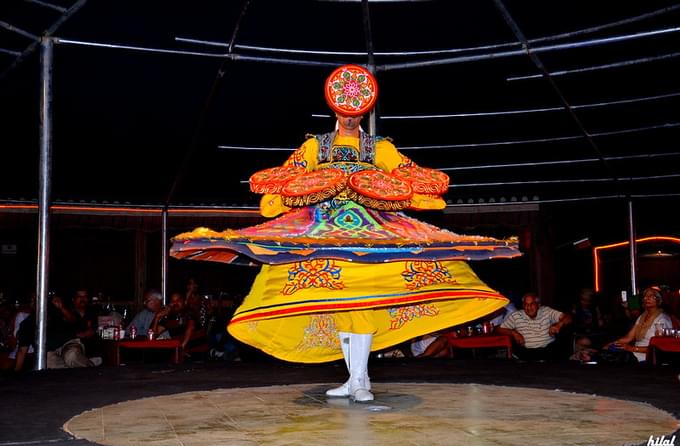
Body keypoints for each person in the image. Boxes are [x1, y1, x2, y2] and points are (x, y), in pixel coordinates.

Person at [170, 64, 520, 401]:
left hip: (372, 230)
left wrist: (419, 187)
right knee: (342, 307)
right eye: (344, 111)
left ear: (364, 112)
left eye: (356, 112)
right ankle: (356, 379)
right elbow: (286, 177)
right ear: (334, 109)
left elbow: (408, 173)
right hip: (322, 228)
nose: (349, 117)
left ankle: (358, 378)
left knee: (362, 305)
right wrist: (280, 196)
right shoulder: (315, 146)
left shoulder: (378, 147)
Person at [602, 286, 672, 363]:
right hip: (634, 353)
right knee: (606, 353)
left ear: (659, 300)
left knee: (613, 358)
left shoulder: (662, 319)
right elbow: (628, 338)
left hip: (647, 357)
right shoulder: (642, 317)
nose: (646, 298)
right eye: (645, 296)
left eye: (651, 296)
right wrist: (610, 344)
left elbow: (659, 347)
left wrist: (631, 348)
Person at [496, 292, 572, 361]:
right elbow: (499, 329)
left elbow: (568, 318)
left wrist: (559, 325)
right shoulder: (516, 315)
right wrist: (514, 333)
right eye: (526, 304)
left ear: (538, 305)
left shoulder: (546, 311)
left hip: (548, 350)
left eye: (532, 304)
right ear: (523, 306)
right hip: (527, 353)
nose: (529, 307)